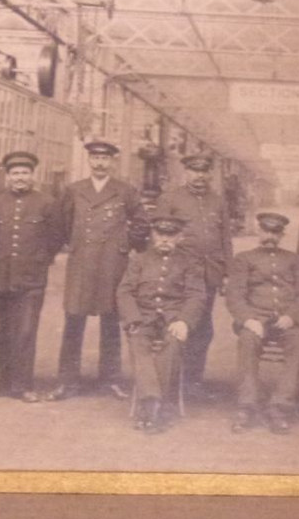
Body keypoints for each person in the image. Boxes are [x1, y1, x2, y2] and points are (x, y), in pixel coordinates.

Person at [48, 139, 140, 401]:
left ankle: (110, 380)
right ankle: (67, 382)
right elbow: (61, 224)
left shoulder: (125, 191)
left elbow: (141, 223)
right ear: (89, 160)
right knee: (73, 321)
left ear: (112, 162)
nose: (100, 163)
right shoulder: (74, 190)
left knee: (111, 321)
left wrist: (123, 246)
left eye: (105, 158)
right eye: (95, 158)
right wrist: (74, 245)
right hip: (82, 263)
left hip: (113, 264)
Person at [0, 151, 57, 403]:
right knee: (2, 331)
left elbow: (55, 239)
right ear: (7, 176)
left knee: (25, 332)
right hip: (0, 277)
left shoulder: (47, 203)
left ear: (33, 175)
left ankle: (22, 385)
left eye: (24, 173)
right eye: (15, 173)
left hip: (31, 279)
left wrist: (38, 260)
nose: (20, 177)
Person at [117, 215, 207, 433]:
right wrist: (133, 319)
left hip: (173, 319)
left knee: (173, 343)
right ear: (153, 235)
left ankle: (151, 405)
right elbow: (124, 291)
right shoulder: (139, 260)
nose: (165, 239)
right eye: (160, 234)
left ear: (180, 237)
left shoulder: (190, 262)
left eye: (171, 235)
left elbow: (197, 295)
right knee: (138, 342)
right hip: (144, 318)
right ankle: (153, 402)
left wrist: (184, 321)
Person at [225, 212, 299, 434]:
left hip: (286, 321)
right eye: (266, 231)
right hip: (256, 320)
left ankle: (280, 406)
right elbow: (235, 295)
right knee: (247, 342)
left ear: (282, 235)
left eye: (275, 232)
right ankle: (247, 406)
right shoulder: (244, 259)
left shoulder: (294, 260)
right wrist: (248, 319)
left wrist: (291, 317)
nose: (270, 236)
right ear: (259, 231)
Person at [159, 153, 232, 398]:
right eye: (194, 171)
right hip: (179, 275)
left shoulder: (218, 201)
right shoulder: (171, 198)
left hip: (209, 274)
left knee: (203, 328)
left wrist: (227, 273)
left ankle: (193, 382)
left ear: (209, 174)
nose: (199, 176)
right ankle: (173, 380)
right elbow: (158, 237)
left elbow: (225, 239)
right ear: (186, 172)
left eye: (204, 171)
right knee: (180, 324)